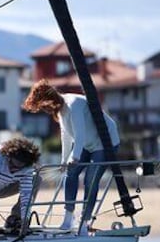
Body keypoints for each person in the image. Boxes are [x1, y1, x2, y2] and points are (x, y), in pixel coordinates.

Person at [22, 78, 120, 232]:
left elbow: (79, 133)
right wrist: (64, 160)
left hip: (105, 142)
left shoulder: (73, 105)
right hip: (88, 144)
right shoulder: (60, 111)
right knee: (70, 173)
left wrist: (74, 158)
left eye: (44, 107)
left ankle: (85, 221)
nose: (46, 111)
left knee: (90, 180)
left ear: (50, 101)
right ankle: (68, 218)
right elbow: (66, 135)